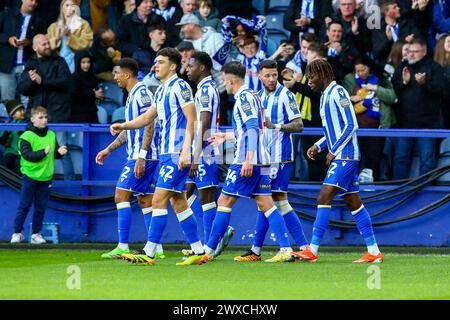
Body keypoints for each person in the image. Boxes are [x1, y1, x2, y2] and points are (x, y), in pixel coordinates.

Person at [110, 48, 207, 266]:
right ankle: (198, 250)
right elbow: (146, 117)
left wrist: (186, 149)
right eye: (155, 62)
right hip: (165, 154)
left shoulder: (180, 86)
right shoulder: (162, 90)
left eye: (161, 62)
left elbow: (192, 118)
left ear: (173, 66)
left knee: (158, 199)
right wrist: (123, 125)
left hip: (175, 153)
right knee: (178, 202)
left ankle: (149, 252)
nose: (156, 66)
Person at [290, 59, 383, 263]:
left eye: (312, 76)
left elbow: (351, 125)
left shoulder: (338, 92)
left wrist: (333, 149)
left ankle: (312, 250)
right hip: (342, 153)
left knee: (324, 197)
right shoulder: (324, 96)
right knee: (353, 202)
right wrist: (319, 145)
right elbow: (334, 130)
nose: (309, 81)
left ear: (323, 74)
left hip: (346, 155)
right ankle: (374, 251)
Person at [202, 61, 293, 263]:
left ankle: (207, 250)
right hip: (264, 160)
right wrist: (226, 137)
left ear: (230, 80)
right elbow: (248, 130)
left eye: (224, 80)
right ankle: (286, 249)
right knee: (266, 203)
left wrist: (248, 159)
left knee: (224, 201)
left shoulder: (243, 97)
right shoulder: (254, 95)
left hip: (247, 159)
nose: (223, 83)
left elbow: (252, 128)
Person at [234, 60, 308, 262]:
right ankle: (258, 250)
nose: (272, 79)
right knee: (265, 201)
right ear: (260, 76)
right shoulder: (257, 98)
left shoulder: (286, 95)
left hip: (281, 157)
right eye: (267, 75)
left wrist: (275, 126)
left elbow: (299, 125)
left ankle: (302, 247)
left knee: (276, 201)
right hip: (264, 159)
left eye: (274, 75)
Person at [95, 58, 164, 260]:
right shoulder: (133, 95)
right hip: (141, 155)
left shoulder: (141, 94)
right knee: (144, 200)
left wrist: (142, 156)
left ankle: (123, 245)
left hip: (143, 156)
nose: (114, 77)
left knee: (120, 195)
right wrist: (109, 149)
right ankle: (157, 248)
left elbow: (149, 124)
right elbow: (131, 129)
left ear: (126, 74)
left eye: (116, 73)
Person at [183, 51, 235, 258]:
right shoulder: (205, 88)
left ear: (202, 68)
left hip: (205, 150)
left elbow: (204, 123)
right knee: (183, 193)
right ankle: (215, 236)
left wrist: (195, 156)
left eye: (190, 66)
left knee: (205, 196)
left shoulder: (205, 91)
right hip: (201, 148)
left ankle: (211, 242)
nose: (187, 70)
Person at [18, 34, 75, 181]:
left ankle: (71, 183)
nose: (48, 46)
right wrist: (32, 81)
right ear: (35, 47)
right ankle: (33, 179)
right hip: (36, 116)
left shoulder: (59, 61)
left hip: (58, 113)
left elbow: (66, 82)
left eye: (48, 43)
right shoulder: (30, 64)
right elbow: (23, 89)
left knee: (62, 149)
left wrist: (42, 81)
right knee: (34, 150)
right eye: (44, 44)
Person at [10, 106, 68, 244]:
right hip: (30, 176)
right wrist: (44, 152)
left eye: (45, 117)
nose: (44, 120)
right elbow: (28, 156)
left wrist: (59, 153)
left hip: (46, 177)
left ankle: (36, 234)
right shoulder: (25, 137)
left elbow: (53, 154)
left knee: (40, 208)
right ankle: (17, 233)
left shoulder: (51, 135)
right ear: (32, 120)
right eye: (40, 117)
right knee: (24, 205)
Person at [391, 37, 444, 179]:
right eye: (409, 51)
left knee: (427, 160)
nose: (411, 54)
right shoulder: (402, 67)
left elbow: (443, 91)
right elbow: (392, 93)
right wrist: (403, 82)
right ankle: (398, 191)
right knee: (400, 158)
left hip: (427, 124)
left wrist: (425, 83)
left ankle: (425, 194)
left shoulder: (434, 67)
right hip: (403, 123)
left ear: (424, 51)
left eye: (415, 51)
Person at [342, 56, 397, 182]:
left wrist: (375, 88)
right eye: (358, 71)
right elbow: (342, 101)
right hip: (356, 128)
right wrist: (354, 98)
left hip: (376, 128)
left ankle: (375, 189)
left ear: (369, 68)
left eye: (363, 70)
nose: (360, 73)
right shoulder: (349, 80)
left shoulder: (380, 79)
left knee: (374, 160)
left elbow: (392, 97)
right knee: (354, 159)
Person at [0, 0, 46, 101]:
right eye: (31, 0)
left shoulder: (39, 20)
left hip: (29, 67)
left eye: (37, 1)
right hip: (6, 66)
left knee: (28, 102)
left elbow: (44, 43)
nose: (34, 3)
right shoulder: (6, 14)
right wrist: (8, 39)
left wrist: (29, 42)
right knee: (8, 103)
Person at [47, 0, 93, 73]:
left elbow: (87, 43)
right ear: (62, 8)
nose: (70, 8)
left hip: (77, 62)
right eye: (67, 5)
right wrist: (58, 37)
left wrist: (69, 36)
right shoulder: (53, 27)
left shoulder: (84, 24)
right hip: (58, 62)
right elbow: (47, 45)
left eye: (72, 5)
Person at [69, 50, 103, 123]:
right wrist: (93, 94)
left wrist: (99, 95)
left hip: (92, 113)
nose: (86, 65)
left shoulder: (92, 77)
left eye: (88, 62)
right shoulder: (73, 78)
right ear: (78, 63)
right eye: (83, 62)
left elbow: (95, 91)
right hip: (78, 115)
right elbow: (75, 94)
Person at [0, 100, 26, 174]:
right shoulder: (8, 124)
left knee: (19, 164)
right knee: (6, 161)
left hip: (22, 151)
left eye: (23, 109)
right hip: (10, 150)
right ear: (13, 115)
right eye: (19, 111)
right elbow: (2, 141)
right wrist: (7, 133)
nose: (23, 112)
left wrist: (20, 132)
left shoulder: (26, 123)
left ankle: (18, 181)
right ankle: (7, 180)